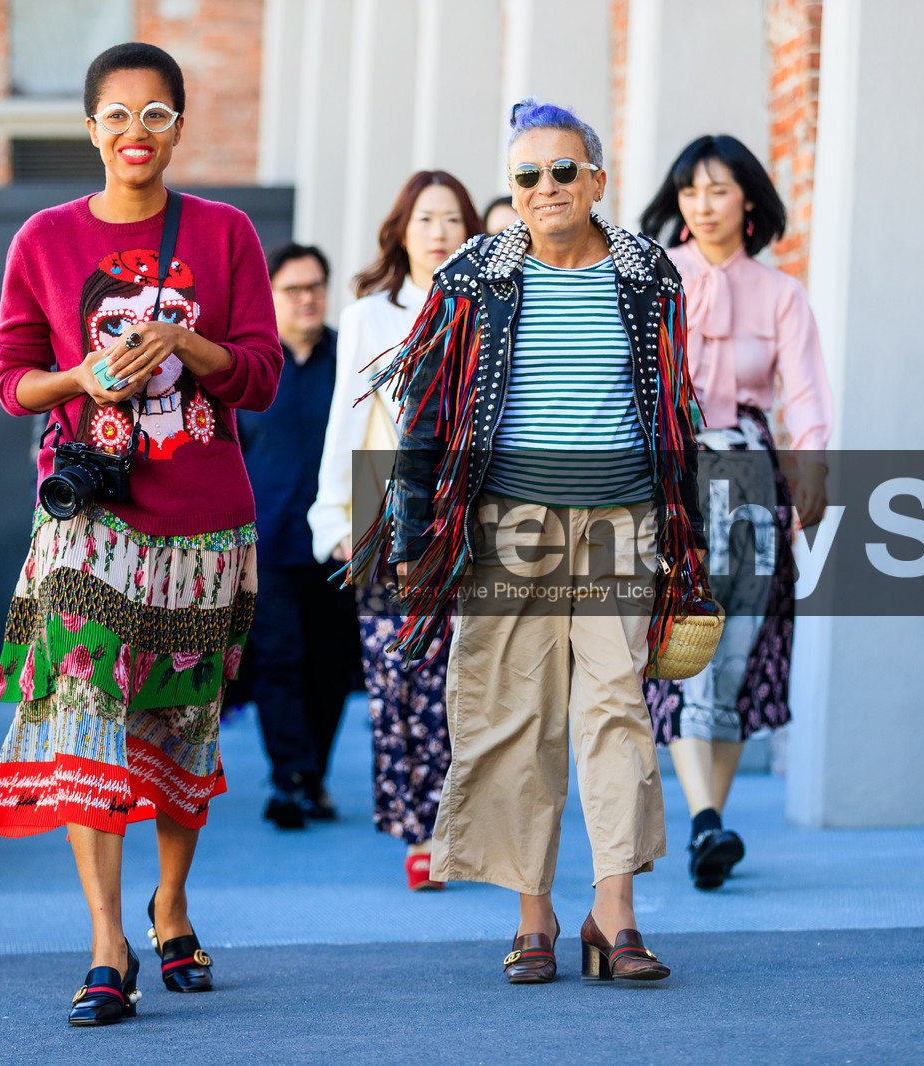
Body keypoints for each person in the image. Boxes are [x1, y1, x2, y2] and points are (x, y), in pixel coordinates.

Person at [356, 99, 707, 983]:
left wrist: (688, 538)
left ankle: (614, 913)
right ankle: (534, 918)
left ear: (596, 179)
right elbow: (427, 416)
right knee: (514, 716)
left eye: (561, 171)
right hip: (505, 527)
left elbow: (677, 407)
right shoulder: (475, 275)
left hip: (622, 523)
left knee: (616, 709)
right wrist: (408, 533)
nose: (544, 188)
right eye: (525, 176)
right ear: (509, 187)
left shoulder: (646, 273)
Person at [0, 42, 281, 1025]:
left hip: (200, 522)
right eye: (116, 115)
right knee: (82, 712)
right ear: (89, 128)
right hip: (88, 520)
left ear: (179, 126)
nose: (135, 134)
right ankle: (108, 939)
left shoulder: (227, 234)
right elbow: (11, 377)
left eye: (155, 115)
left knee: (177, 724)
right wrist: (82, 377)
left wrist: (185, 343)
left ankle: (171, 899)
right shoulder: (41, 239)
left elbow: (261, 377)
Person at [639, 134, 832, 891]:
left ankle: (708, 823)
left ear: (747, 199)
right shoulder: (657, 284)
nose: (703, 205)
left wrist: (814, 466)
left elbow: (808, 395)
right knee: (686, 643)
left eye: (718, 190)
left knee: (735, 650)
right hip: (675, 480)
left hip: (751, 479)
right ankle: (703, 821)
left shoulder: (783, 294)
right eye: (690, 192)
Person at [309, 170, 483, 891]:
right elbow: (346, 423)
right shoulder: (370, 317)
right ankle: (421, 830)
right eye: (426, 220)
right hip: (386, 519)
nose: (439, 233)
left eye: (452, 220)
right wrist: (336, 517)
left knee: (465, 678)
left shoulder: (494, 309)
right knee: (398, 677)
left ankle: (462, 827)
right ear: (401, 233)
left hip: (473, 517)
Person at [238, 243, 359, 829]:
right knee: (279, 660)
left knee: (332, 663)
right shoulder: (250, 365)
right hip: (268, 544)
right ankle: (288, 775)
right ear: (271, 296)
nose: (307, 297)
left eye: (315, 286)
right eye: (293, 289)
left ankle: (314, 776)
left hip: (339, 541)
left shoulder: (352, 359)